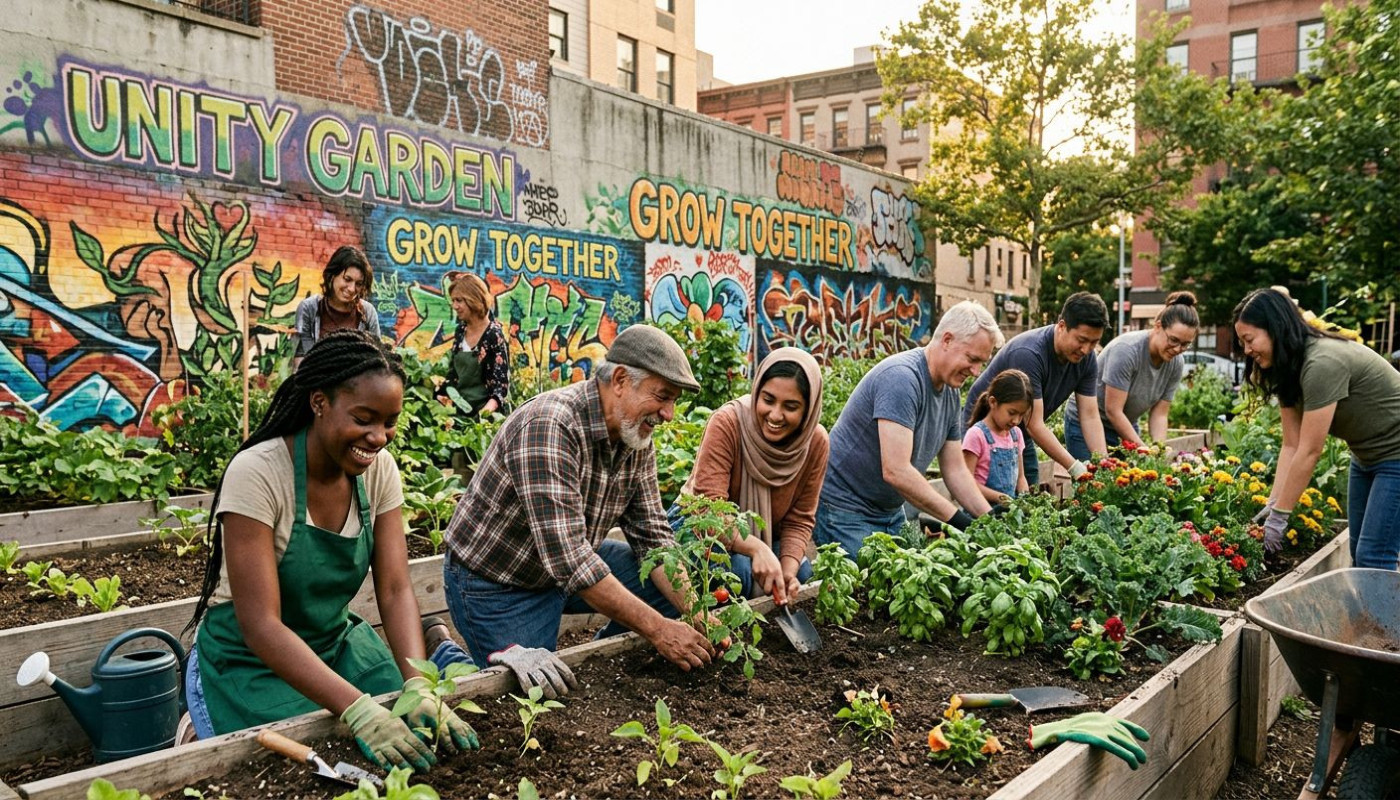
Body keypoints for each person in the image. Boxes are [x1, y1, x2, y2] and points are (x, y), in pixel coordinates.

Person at [182, 330, 473, 772]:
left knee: (408, 721)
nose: (378, 437)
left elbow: (394, 589)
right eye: (364, 418)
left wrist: (418, 684)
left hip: (334, 642)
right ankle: (195, 721)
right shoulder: (258, 473)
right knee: (312, 752)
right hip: (250, 656)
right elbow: (260, 624)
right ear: (319, 403)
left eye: (389, 422)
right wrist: (355, 709)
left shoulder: (378, 472)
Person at [441, 324, 717, 672]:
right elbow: (571, 560)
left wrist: (696, 612)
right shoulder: (550, 426)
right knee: (535, 690)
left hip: (564, 565)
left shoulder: (634, 435)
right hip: (500, 583)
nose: (668, 414)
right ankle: (441, 650)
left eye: (673, 401)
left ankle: (607, 650)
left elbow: (655, 539)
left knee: (659, 586)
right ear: (619, 380)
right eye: (662, 396)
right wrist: (660, 630)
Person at [814, 301, 1001, 560]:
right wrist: (956, 519)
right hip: (844, 509)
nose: (976, 371)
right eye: (972, 359)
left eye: (982, 362)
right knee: (869, 590)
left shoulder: (950, 392)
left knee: (908, 586)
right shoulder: (902, 378)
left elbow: (955, 470)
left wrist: (988, 521)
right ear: (947, 339)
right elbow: (896, 470)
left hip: (890, 511)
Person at [1235, 288, 1400, 569]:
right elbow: (1291, 445)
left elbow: (1310, 450)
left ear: (1275, 329)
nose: (1247, 350)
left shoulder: (1321, 362)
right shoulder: (1287, 370)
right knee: (1359, 551)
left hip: (1395, 455)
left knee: (1374, 556)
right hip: (1366, 457)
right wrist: (1273, 506)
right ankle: (1368, 614)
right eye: (1241, 342)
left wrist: (1281, 516)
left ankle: (1379, 615)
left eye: (1249, 339)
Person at [672, 347, 827, 605]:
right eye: (768, 400)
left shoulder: (815, 442)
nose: (775, 415)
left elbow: (800, 519)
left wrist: (786, 575)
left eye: (791, 406)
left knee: (801, 570)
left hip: (761, 536)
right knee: (738, 571)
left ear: (808, 411)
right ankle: (720, 636)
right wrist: (757, 548)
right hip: (696, 528)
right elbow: (709, 514)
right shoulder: (728, 423)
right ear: (757, 393)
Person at [963, 292, 1109, 486]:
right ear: (1062, 326)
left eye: (1093, 342)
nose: (1086, 349)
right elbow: (1034, 424)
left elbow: (1089, 416)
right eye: (1081, 340)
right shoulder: (1029, 353)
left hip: (1018, 428)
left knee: (1027, 487)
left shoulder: (1087, 360)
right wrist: (1074, 467)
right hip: (985, 425)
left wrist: (1103, 463)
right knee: (986, 491)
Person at [1065, 292, 1200, 458]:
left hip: (1125, 424)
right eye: (1173, 340)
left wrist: (1158, 450)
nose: (1178, 349)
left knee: (1133, 480)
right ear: (1158, 327)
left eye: (1185, 344)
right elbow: (1113, 410)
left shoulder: (1176, 363)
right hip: (1087, 423)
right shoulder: (1127, 350)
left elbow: (1160, 414)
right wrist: (1143, 448)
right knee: (1094, 479)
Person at [293, 246, 380, 368]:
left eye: (358, 284)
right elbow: (302, 357)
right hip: (316, 380)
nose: (352, 289)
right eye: (347, 279)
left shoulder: (367, 312)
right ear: (333, 275)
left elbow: (377, 356)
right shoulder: (309, 308)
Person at [439, 273, 509, 416]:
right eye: (453, 301)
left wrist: (483, 416)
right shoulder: (460, 331)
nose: (454, 306)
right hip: (459, 414)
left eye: (459, 300)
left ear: (474, 300)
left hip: (485, 418)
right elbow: (453, 375)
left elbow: (499, 387)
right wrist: (441, 395)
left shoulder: (493, 335)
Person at [962, 369, 1032, 505]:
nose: (1016, 420)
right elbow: (966, 484)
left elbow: (1021, 478)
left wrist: (1025, 499)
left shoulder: (1016, 435)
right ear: (993, 402)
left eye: (1021, 415)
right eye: (1012, 413)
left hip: (1008, 512)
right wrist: (1002, 498)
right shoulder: (977, 435)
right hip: (980, 512)